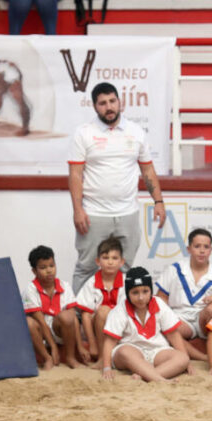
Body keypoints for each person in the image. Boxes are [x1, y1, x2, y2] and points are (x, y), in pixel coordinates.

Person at [68, 82, 166, 295]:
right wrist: (77, 210)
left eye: (112, 101)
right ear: (95, 107)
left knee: (125, 268)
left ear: (120, 102)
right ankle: (77, 321)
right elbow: (75, 174)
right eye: (103, 103)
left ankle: (119, 318)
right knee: (87, 267)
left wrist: (158, 201)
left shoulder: (136, 131)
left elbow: (147, 171)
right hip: (93, 214)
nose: (109, 106)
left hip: (127, 214)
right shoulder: (83, 133)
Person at [101, 266, 191, 382]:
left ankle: (145, 376)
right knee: (124, 352)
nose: (141, 297)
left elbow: (173, 335)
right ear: (127, 293)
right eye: (135, 292)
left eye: (145, 291)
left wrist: (186, 363)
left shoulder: (159, 304)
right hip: (132, 351)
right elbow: (110, 342)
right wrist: (107, 367)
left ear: (151, 291)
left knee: (182, 358)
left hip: (156, 351)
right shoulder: (120, 309)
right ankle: (161, 380)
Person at [155, 228, 212, 363]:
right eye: (197, 246)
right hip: (181, 318)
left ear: (211, 250)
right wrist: (167, 318)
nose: (202, 251)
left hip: (204, 320)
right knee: (165, 326)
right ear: (188, 249)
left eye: (206, 247)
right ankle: (203, 357)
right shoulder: (175, 269)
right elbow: (161, 298)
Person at [22, 245, 90, 370]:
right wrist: (53, 347)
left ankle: (70, 358)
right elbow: (41, 322)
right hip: (41, 332)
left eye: (51, 266)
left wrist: (80, 346)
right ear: (34, 271)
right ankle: (46, 358)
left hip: (60, 330)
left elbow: (73, 319)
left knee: (68, 315)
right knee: (28, 323)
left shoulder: (65, 286)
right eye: (43, 267)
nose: (49, 271)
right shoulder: (30, 289)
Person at [75, 236, 125, 361]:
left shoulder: (126, 282)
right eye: (105, 258)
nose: (110, 262)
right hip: (97, 329)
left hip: (121, 327)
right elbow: (86, 315)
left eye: (114, 258)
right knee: (100, 311)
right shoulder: (91, 283)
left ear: (122, 262)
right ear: (98, 261)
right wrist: (92, 345)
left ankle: (108, 356)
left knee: (106, 311)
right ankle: (103, 357)